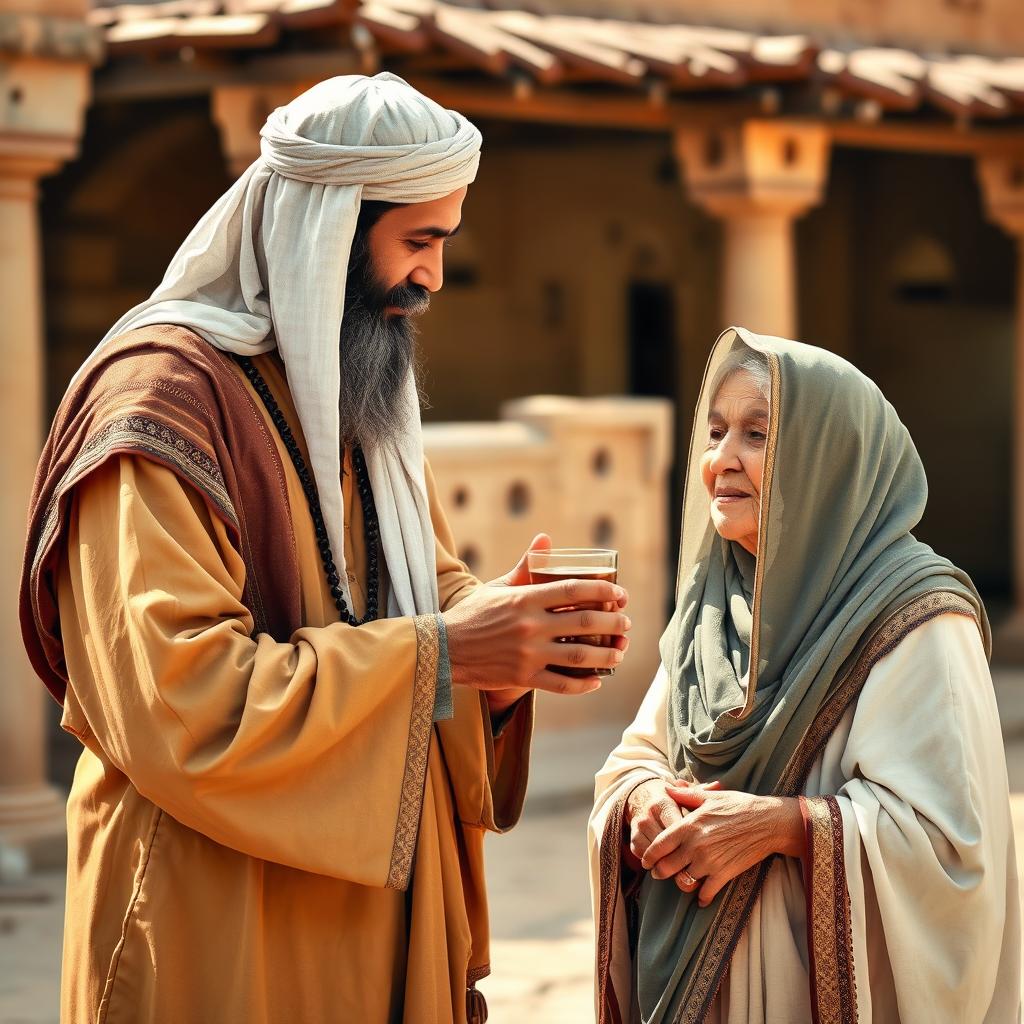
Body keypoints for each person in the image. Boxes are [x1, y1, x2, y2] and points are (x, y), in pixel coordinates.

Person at [20, 73, 630, 1024]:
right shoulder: (156, 408)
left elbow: (422, 593)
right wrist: (450, 653)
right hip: (215, 921)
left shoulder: (358, 381)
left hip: (377, 907)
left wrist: (509, 651)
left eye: (444, 243)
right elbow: (181, 701)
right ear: (331, 232)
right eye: (416, 241)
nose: (431, 277)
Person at [589, 326, 1020, 1023]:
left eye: (757, 435)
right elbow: (640, 753)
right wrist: (643, 803)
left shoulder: (918, 617)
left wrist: (780, 828)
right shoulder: (713, 601)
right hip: (695, 981)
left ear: (828, 460)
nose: (721, 460)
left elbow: (950, 851)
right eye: (716, 431)